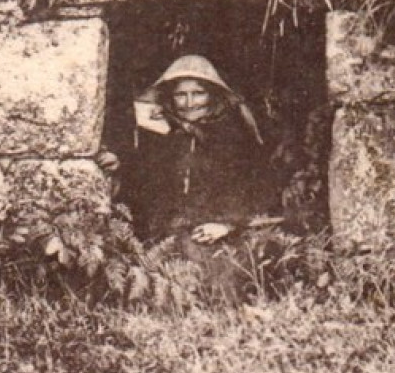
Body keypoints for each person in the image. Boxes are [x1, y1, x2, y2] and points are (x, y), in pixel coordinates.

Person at [100, 54, 282, 248]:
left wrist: (227, 224)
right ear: (169, 97)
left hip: (216, 241)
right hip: (161, 239)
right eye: (180, 95)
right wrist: (120, 163)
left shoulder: (233, 137)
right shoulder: (160, 134)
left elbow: (256, 188)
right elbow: (143, 180)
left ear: (213, 95)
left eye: (198, 93)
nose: (189, 103)